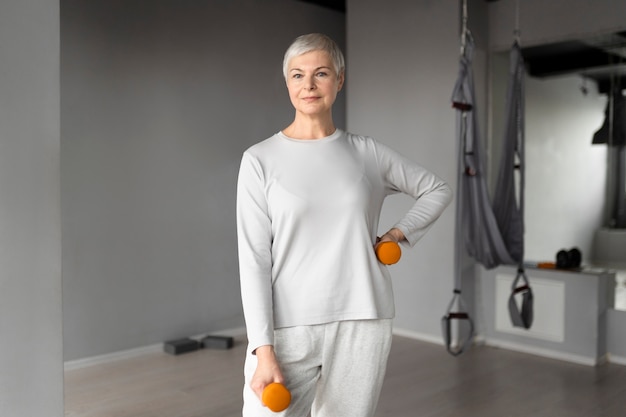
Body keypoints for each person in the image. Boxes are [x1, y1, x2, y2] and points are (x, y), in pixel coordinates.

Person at [236, 33, 452, 417]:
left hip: (362, 319)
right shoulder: (259, 160)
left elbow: (436, 189)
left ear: (339, 79)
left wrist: (399, 234)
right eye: (298, 75)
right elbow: (254, 259)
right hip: (288, 328)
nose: (309, 85)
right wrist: (261, 347)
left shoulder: (367, 153)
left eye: (321, 73)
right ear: (287, 83)